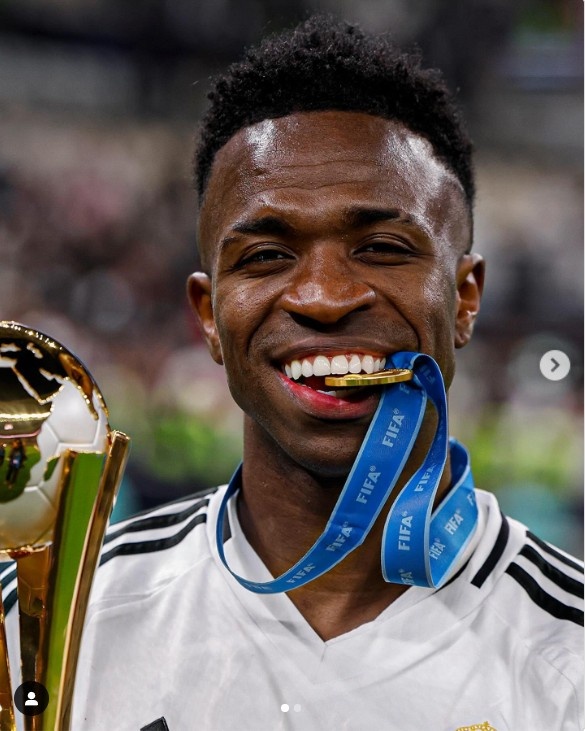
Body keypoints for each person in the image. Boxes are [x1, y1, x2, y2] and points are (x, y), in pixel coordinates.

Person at [3, 16, 583, 731]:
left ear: (464, 299)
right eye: (266, 257)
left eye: (381, 247)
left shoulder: (568, 654)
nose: (324, 297)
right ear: (208, 315)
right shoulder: (50, 624)